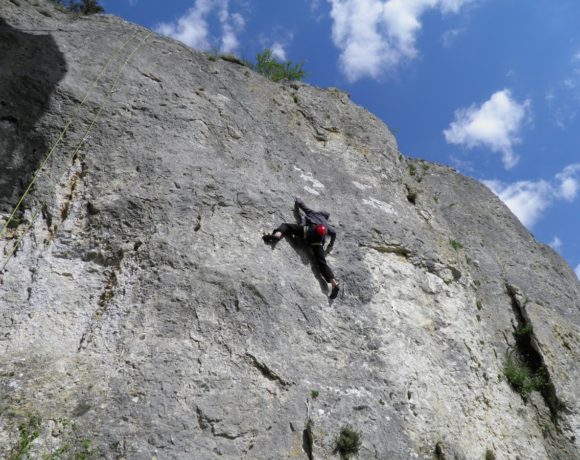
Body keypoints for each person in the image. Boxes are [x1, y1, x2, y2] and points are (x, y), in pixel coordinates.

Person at [263, 198, 340, 299]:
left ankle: (277, 235)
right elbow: (334, 233)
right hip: (317, 241)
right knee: (321, 262)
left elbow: (300, 204)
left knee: (286, 226)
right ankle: (334, 283)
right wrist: (331, 245)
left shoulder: (312, 213)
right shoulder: (326, 225)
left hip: (308, 232)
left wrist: (297, 200)